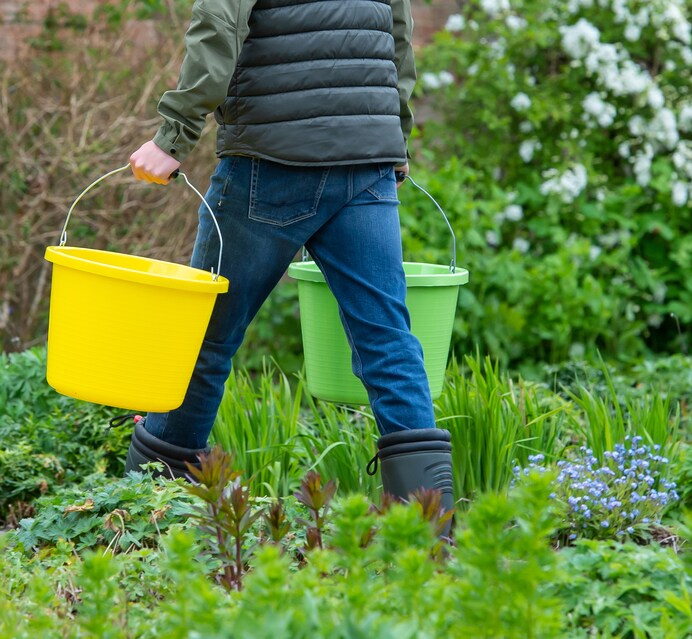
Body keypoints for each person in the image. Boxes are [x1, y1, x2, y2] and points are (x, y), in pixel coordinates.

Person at [122, 0, 453, 522]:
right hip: (367, 158)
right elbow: (398, 38)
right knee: (389, 341)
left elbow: (219, 24)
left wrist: (173, 136)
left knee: (204, 339)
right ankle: (431, 534)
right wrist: (397, 137)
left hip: (270, 159)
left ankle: (149, 519)